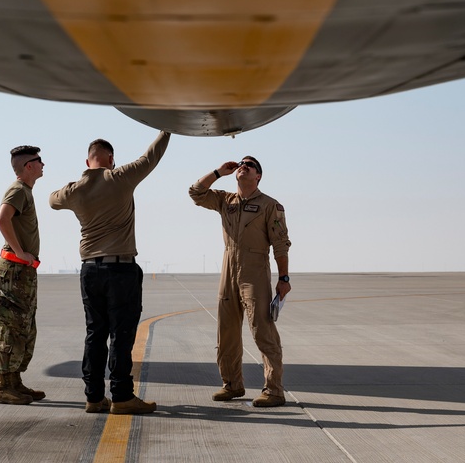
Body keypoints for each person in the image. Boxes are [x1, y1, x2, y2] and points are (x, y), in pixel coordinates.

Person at [49, 130, 171, 415]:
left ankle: (93, 396)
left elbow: (52, 200)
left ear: (87, 160)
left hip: (90, 271)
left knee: (95, 334)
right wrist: (166, 129)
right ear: (111, 159)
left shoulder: (74, 190)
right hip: (121, 270)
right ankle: (122, 396)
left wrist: (77, 183)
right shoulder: (120, 178)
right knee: (121, 334)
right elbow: (150, 158)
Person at [189, 156, 291, 408]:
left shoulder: (270, 205)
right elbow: (195, 192)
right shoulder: (226, 201)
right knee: (227, 332)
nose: (244, 166)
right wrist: (217, 172)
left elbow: (280, 243)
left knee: (262, 330)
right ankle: (232, 384)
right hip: (228, 269)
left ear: (259, 176)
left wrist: (284, 278)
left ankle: (274, 390)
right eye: (242, 163)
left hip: (254, 270)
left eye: (251, 165)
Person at [0, 145, 46, 405]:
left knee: (24, 328)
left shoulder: (25, 191)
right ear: (29, 166)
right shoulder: (17, 190)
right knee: (13, 327)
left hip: (22, 272)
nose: (43, 164)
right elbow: (2, 219)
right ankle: (4, 386)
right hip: (15, 270)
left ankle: (14, 383)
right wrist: (20, 252)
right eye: (39, 161)